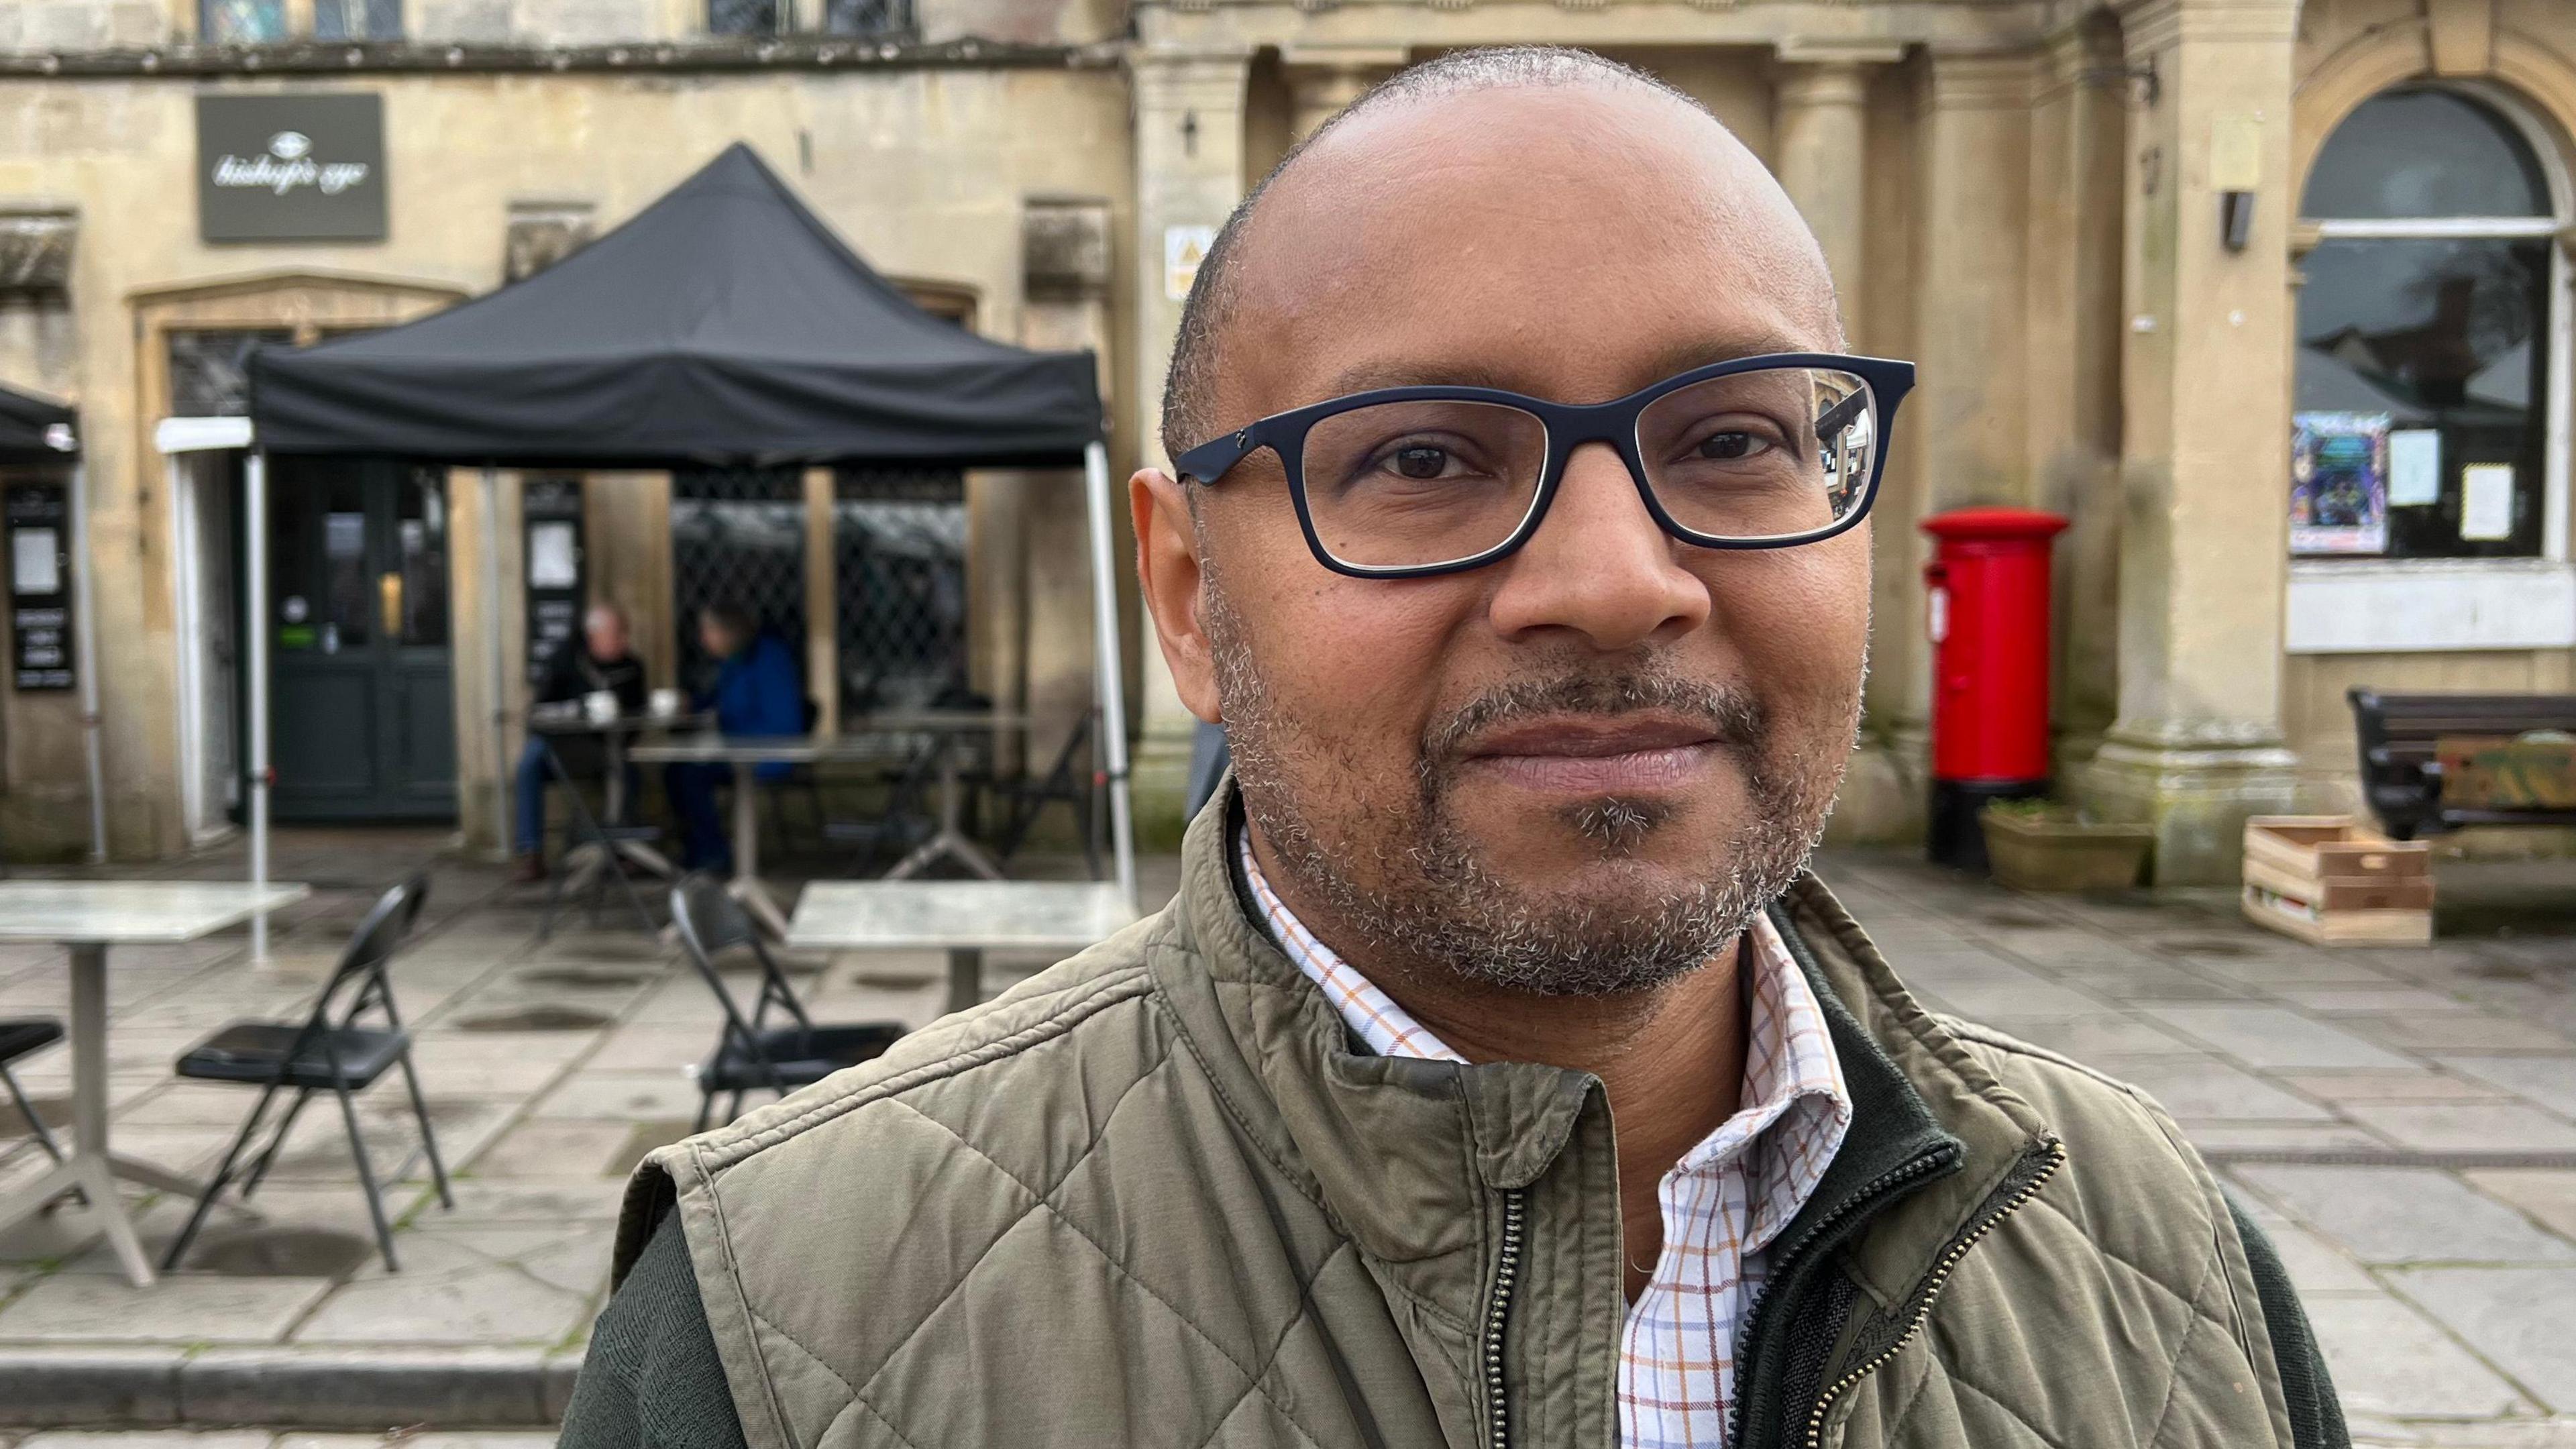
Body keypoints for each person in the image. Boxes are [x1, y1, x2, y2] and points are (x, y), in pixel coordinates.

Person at [561, 49, 2346, 1449]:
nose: (1615, 581)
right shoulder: (784, 1330)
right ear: (1187, 594)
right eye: (1421, 459)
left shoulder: (2173, 1275)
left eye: (1731, 438)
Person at [507, 602, 648, 885]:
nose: (623, 640)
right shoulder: (565, 660)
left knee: (629, 771)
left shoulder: (632, 667)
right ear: (594, 636)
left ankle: (623, 848)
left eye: (624, 634)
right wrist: (575, 710)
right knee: (529, 766)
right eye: (617, 634)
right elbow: (540, 711)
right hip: (559, 744)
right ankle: (531, 852)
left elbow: (639, 714)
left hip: (605, 745)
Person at [663, 602, 806, 873]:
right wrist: (690, 705)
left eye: (708, 632)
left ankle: (715, 855)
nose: (703, 639)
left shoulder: (768, 660)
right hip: (735, 751)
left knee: (691, 774)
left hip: (764, 755)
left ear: (728, 632)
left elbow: (784, 725)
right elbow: (719, 701)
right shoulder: (734, 661)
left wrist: (728, 741)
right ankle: (701, 850)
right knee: (677, 770)